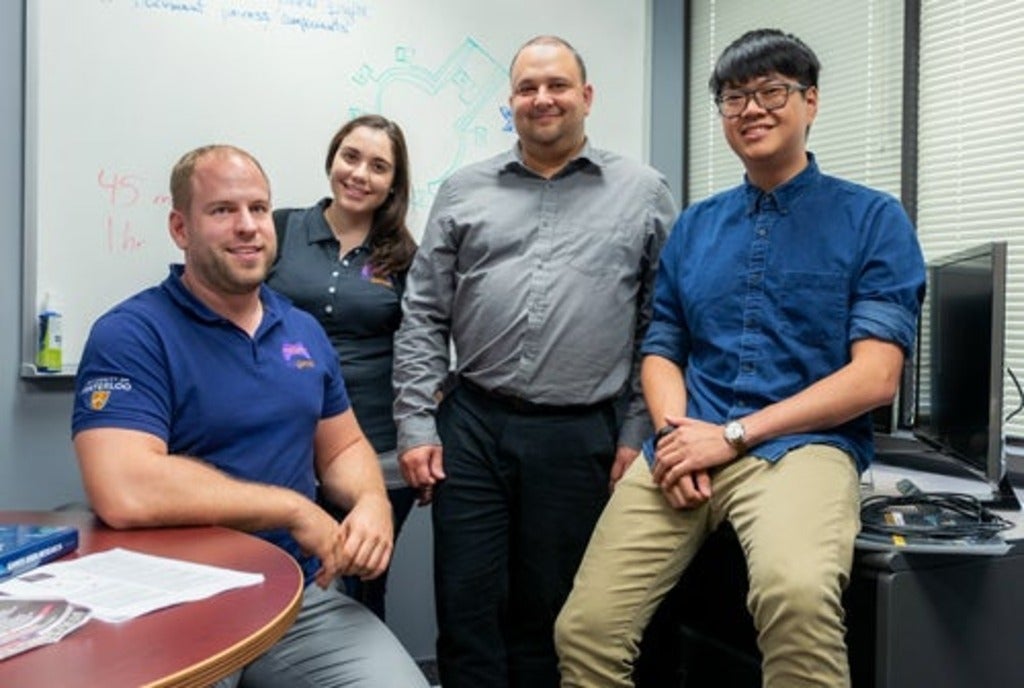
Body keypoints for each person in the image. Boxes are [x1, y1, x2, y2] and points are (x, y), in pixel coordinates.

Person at [555, 28, 926, 687]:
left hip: (801, 449)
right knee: (585, 631)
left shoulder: (872, 220)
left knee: (797, 597)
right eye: (733, 97)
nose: (750, 108)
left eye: (771, 91)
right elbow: (663, 346)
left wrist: (732, 436)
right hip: (687, 440)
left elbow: (876, 376)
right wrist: (674, 437)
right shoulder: (696, 225)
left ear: (810, 102)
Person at [71, 144, 429, 688]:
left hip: (295, 599)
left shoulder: (302, 331)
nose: (247, 227)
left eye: (259, 209)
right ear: (180, 227)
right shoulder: (132, 333)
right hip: (173, 601)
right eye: (222, 211)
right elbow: (124, 488)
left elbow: (343, 447)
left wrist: (372, 501)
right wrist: (293, 510)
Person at [392, 35, 677, 688]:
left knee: (551, 614)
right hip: (473, 425)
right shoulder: (465, 190)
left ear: (586, 96)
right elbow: (424, 314)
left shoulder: (643, 191)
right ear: (512, 102)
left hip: (580, 434)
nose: (542, 98)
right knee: (465, 606)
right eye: (527, 88)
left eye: (556, 85)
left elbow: (659, 328)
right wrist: (415, 425)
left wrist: (637, 433)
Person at [267, 114, 418, 621]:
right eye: (350, 157)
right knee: (276, 579)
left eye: (379, 166)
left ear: (394, 183)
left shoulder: (404, 256)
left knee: (356, 587)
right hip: (281, 440)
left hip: (375, 449)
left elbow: (426, 345)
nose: (360, 174)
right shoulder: (280, 228)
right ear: (332, 158)